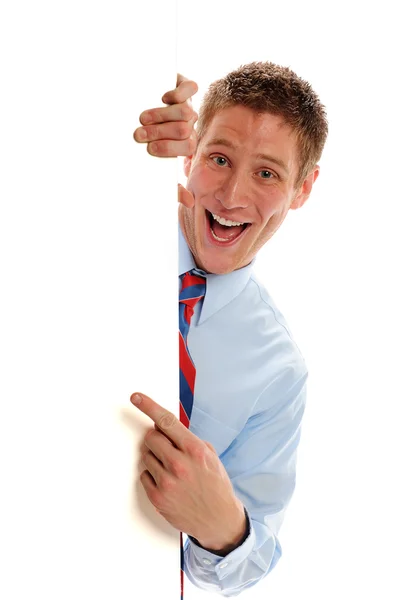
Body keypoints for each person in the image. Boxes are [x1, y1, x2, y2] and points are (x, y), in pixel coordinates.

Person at [131, 62, 328, 596]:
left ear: (302, 189)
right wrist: (127, 111)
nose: (233, 195)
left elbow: (250, 556)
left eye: (267, 173)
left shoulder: (280, 370)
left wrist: (225, 528)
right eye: (219, 159)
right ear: (191, 152)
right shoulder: (111, 228)